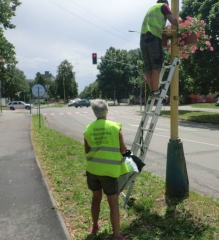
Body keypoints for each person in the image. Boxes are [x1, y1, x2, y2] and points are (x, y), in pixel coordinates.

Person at [83, 99, 130, 240]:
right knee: (113, 203)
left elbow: (87, 151)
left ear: (94, 112)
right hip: (109, 172)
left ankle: (95, 226)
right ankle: (116, 235)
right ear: (107, 110)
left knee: (96, 199)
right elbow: (123, 149)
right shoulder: (115, 127)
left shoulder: (88, 129)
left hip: (92, 170)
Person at [140, 0, 180, 97]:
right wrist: (181, 23)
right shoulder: (164, 6)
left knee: (149, 67)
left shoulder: (151, 9)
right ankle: (156, 90)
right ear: (166, 3)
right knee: (156, 65)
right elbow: (173, 21)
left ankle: (153, 91)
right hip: (153, 38)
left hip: (143, 39)